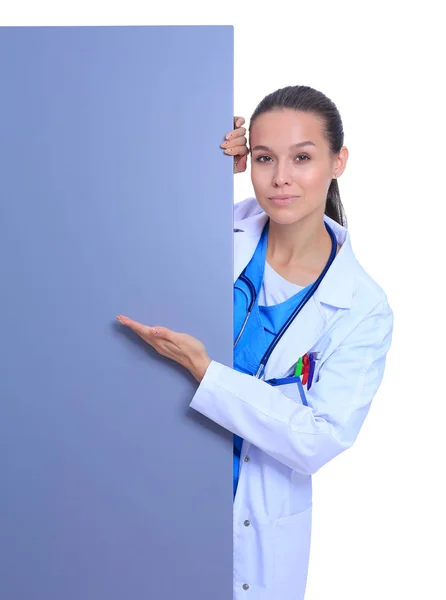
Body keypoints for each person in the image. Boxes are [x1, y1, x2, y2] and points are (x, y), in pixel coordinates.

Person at [116, 85, 394, 600]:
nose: (281, 178)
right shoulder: (215, 231)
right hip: (152, 480)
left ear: (339, 161)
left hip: (253, 522)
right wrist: (199, 170)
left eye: (303, 158)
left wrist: (207, 372)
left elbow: (318, 439)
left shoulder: (361, 307)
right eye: (264, 158)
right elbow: (126, 235)